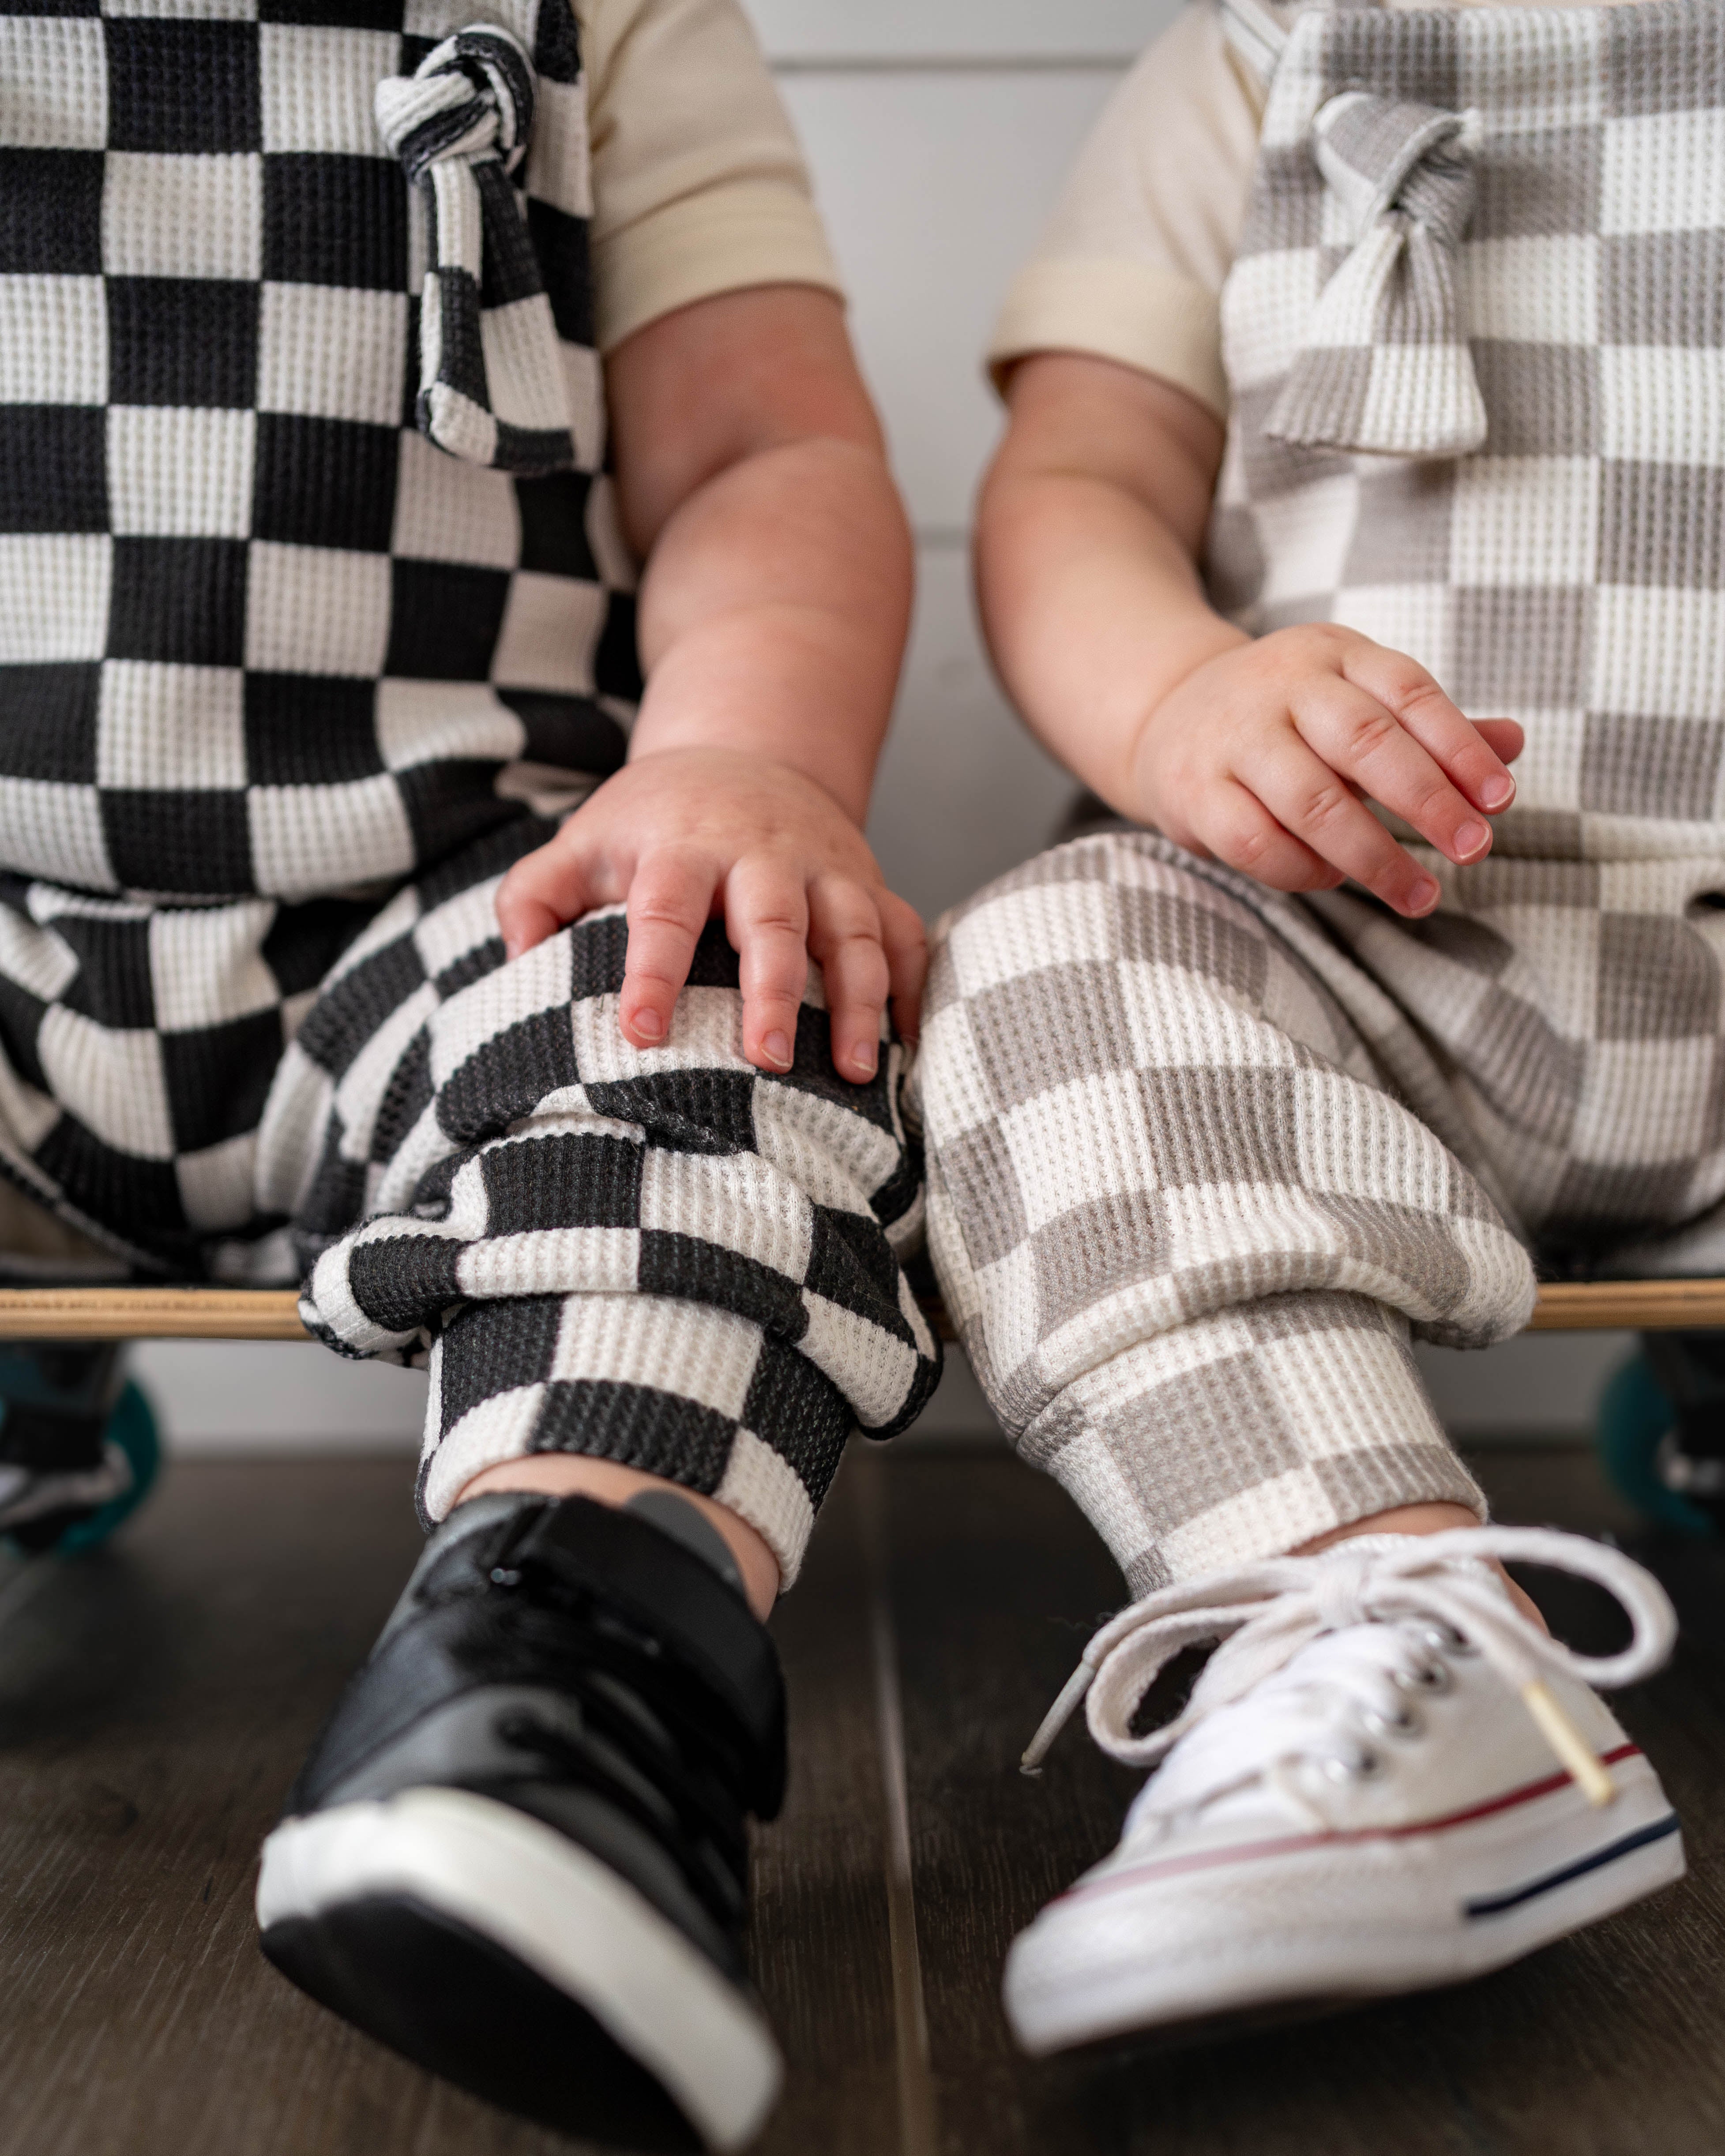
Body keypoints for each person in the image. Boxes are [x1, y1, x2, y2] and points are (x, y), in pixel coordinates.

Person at [0, 0, 937, 2144]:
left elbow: (761, 453)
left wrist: (745, 760)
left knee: (736, 1012)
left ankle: (557, 1662)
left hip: (453, 899)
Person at [924, 0, 1709, 2055]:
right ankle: (1372, 1605)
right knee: (1052, 958)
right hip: (1370, 961)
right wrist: (1180, 695)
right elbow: (1079, 472)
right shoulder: (1254, 57)